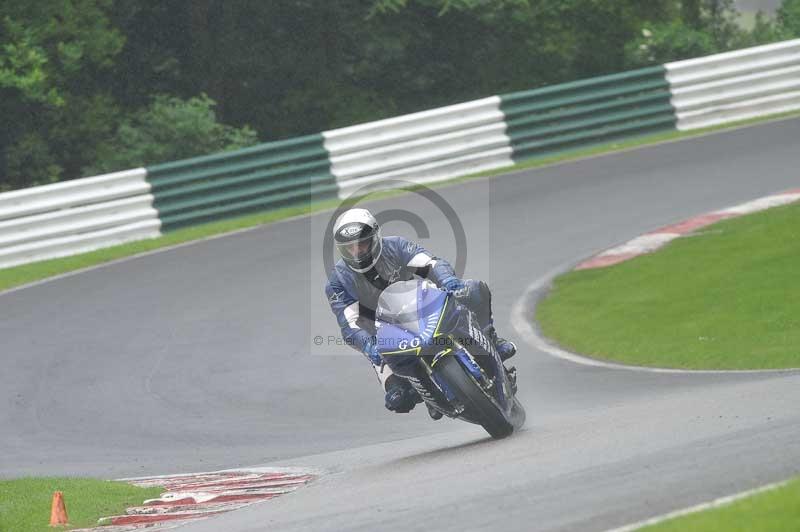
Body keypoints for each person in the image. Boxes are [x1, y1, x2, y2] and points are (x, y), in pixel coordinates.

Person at [324, 208, 516, 417]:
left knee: (473, 289)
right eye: (349, 248)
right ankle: (424, 393)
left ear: (375, 237)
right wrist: (369, 346)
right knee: (397, 397)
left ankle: (491, 340)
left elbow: (430, 263)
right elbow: (349, 324)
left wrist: (449, 282)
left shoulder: (395, 246)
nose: (357, 252)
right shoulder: (338, 281)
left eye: (362, 244)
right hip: (381, 334)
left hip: (419, 308)